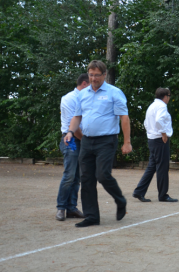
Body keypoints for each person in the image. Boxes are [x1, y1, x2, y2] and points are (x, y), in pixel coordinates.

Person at [64, 60, 132, 227]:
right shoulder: (82, 94)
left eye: (97, 75)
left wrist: (127, 142)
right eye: (91, 75)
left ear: (104, 75)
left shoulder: (114, 92)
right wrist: (71, 132)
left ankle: (120, 200)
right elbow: (77, 117)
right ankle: (92, 216)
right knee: (86, 179)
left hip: (106, 140)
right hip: (86, 141)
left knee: (102, 175)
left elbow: (124, 117)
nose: (93, 78)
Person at [132, 88, 178, 203]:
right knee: (162, 167)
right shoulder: (162, 106)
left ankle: (139, 191)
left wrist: (151, 133)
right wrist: (163, 133)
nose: (169, 98)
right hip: (160, 139)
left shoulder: (152, 106)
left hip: (152, 139)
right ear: (165, 96)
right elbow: (158, 120)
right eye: (169, 96)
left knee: (152, 167)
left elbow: (146, 123)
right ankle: (163, 195)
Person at [55, 74, 89, 221]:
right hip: (71, 140)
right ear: (84, 84)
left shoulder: (86, 98)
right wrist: (88, 142)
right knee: (69, 175)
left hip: (81, 140)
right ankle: (61, 208)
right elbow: (73, 126)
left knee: (77, 177)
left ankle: (71, 208)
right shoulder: (69, 98)